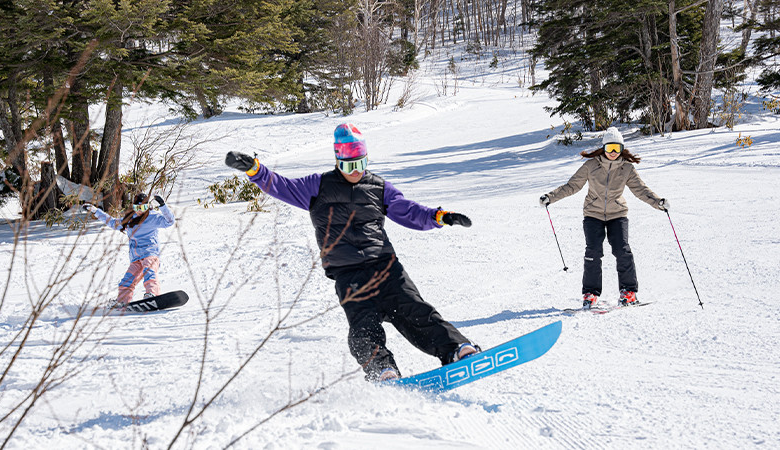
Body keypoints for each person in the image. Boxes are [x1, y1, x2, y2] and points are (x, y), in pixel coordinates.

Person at [225, 123, 479, 382]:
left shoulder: (379, 187)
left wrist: (439, 217)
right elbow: (281, 186)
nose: (356, 172)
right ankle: (383, 370)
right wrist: (255, 170)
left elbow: (408, 210)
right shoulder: (317, 186)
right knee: (362, 330)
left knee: (416, 311)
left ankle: (457, 350)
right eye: (349, 166)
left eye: (361, 164)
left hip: (385, 266)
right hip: (349, 273)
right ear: (338, 161)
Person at [539, 127, 669, 309]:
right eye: (609, 148)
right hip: (593, 214)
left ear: (622, 148)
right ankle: (590, 294)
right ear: (604, 148)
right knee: (593, 252)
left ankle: (628, 292)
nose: (613, 153)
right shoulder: (591, 166)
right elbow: (572, 186)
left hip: (618, 214)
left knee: (622, 250)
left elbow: (641, 190)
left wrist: (658, 202)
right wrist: (550, 197)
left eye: (617, 148)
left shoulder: (627, 168)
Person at [83, 193, 175, 309]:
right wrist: (96, 211)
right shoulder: (130, 220)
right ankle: (122, 300)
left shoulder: (153, 217)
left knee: (149, 270)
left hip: (150, 253)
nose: (140, 211)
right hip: (136, 258)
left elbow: (170, 221)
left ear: (147, 207)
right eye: (137, 208)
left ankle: (152, 294)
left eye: (143, 208)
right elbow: (112, 222)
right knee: (127, 280)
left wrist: (162, 205)